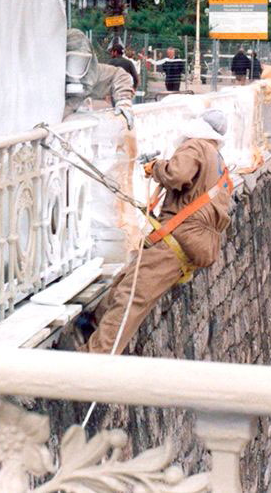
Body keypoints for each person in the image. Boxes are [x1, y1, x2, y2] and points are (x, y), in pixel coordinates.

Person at [84, 109, 233, 355]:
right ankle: (92, 325)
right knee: (125, 282)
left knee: (131, 297)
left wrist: (156, 168)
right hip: (187, 241)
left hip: (178, 240)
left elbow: (177, 175)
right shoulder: (218, 161)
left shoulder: (196, 146)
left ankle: (94, 359)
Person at [64, 29, 134, 128]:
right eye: (72, 61)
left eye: (81, 62)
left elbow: (120, 75)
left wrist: (123, 100)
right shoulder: (47, 78)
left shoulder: (91, 73)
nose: (76, 68)